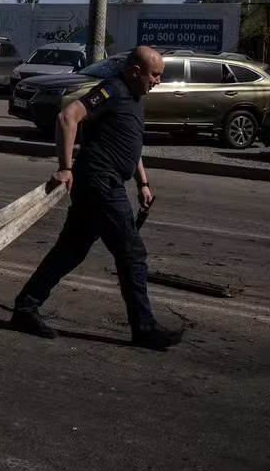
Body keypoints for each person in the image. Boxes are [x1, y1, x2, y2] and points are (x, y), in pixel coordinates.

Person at [9, 46, 184, 351]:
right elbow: (67, 117)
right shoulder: (111, 90)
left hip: (107, 182)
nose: (158, 80)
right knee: (131, 253)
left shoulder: (135, 98)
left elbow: (131, 142)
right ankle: (143, 328)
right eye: (154, 74)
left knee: (70, 250)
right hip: (98, 182)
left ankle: (25, 307)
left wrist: (142, 182)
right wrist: (64, 168)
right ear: (134, 71)